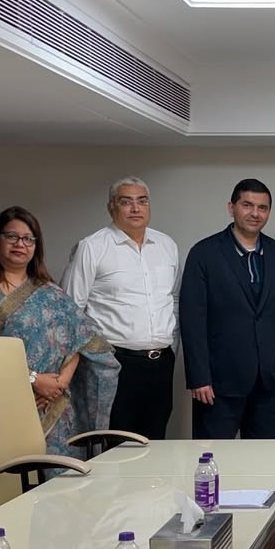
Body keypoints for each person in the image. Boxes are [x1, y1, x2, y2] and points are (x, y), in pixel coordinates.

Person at [0, 206, 120, 457]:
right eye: (12, 236)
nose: (20, 244)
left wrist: (60, 382)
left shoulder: (49, 289)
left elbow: (81, 339)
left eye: (28, 239)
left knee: (63, 476)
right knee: (12, 475)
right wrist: (33, 380)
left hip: (56, 404)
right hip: (6, 402)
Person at [180, 179, 275, 439]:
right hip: (217, 384)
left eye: (262, 208)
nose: (255, 213)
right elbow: (192, 321)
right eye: (247, 205)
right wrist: (199, 377)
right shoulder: (204, 254)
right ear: (231, 207)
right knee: (213, 457)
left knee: (268, 459)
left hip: (270, 383)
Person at [62, 177, 179, 439]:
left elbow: (173, 300)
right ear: (111, 207)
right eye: (126, 202)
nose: (135, 208)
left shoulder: (166, 246)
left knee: (155, 440)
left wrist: (172, 346)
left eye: (142, 201)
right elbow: (71, 309)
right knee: (117, 443)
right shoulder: (92, 247)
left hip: (161, 363)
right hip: (114, 363)